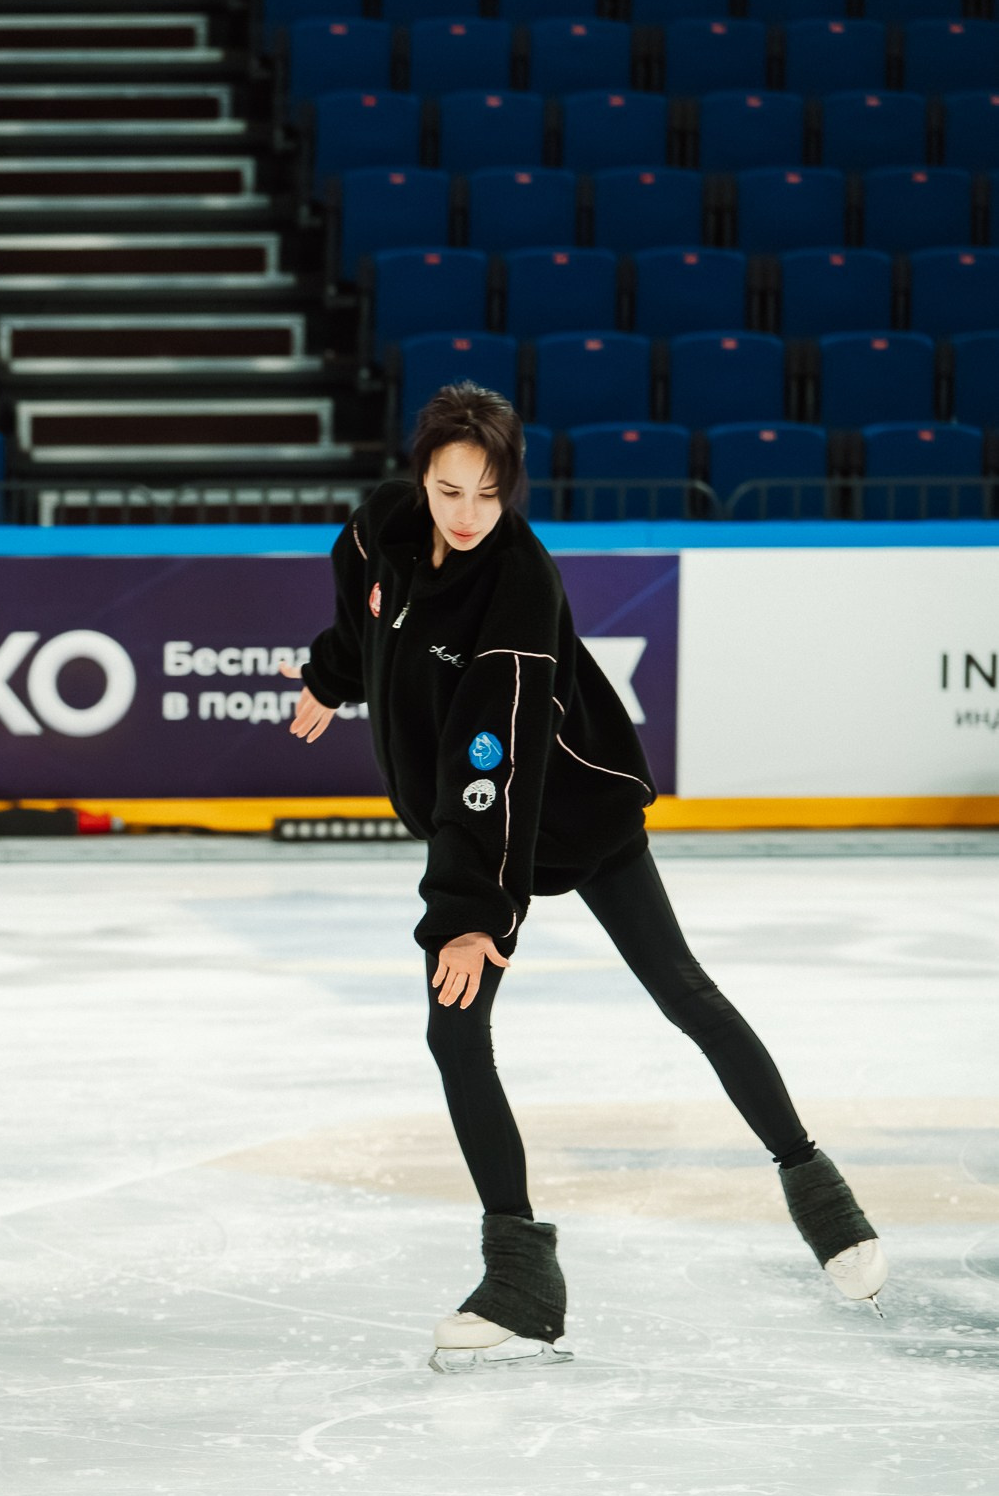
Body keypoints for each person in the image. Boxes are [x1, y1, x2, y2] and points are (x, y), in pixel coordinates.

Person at [283, 384, 885, 1374]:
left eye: (484, 493)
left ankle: (819, 1192)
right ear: (419, 477)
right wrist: (330, 675)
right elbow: (366, 615)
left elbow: (494, 757)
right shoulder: (379, 529)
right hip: (480, 817)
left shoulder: (518, 584)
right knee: (452, 1030)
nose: (463, 514)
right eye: (445, 489)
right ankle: (521, 1279)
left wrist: (475, 915)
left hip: (564, 810)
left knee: (682, 992)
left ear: (508, 487)